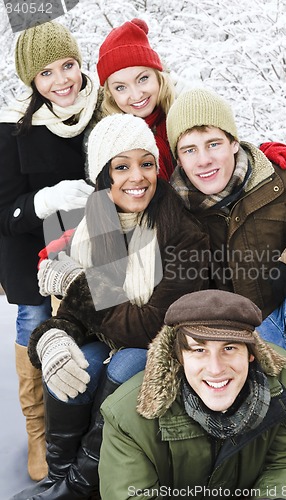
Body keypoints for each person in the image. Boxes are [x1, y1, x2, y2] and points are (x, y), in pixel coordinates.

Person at [11, 113, 209, 500]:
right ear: (103, 175)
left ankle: (79, 487)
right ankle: (58, 476)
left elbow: (152, 324)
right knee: (71, 359)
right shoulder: (97, 221)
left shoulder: (183, 232)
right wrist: (54, 335)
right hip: (114, 332)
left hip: (163, 345)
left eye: (146, 163)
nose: (137, 177)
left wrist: (77, 285)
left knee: (126, 363)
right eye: (122, 166)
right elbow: (78, 313)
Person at [165, 87, 286, 415]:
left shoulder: (280, 179)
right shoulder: (173, 214)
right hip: (242, 340)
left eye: (214, 144)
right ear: (179, 159)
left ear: (234, 143)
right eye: (190, 150)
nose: (205, 160)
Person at [99, 289, 286, 499]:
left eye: (229, 348)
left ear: (251, 353)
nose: (215, 369)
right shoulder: (127, 416)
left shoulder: (283, 380)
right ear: (179, 357)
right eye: (199, 350)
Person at [0, 21, 98, 481]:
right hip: (28, 248)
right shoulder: (12, 128)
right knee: (36, 321)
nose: (62, 80)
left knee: (93, 329)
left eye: (68, 65)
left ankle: (84, 425)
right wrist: (48, 198)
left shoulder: (100, 112)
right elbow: (5, 212)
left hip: (89, 245)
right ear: (31, 81)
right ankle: (38, 433)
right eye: (46, 73)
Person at [95, 17, 286, 183]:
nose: (136, 95)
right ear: (111, 95)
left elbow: (225, 151)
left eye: (143, 78)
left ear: (159, 77)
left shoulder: (191, 111)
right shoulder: (110, 140)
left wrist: (264, 157)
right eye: (121, 87)